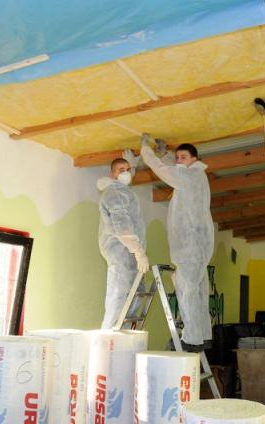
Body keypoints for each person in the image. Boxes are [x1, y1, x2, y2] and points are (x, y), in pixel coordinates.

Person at [136, 134, 214, 352]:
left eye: (183, 157)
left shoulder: (188, 176)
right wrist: (165, 153)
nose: (179, 160)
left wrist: (146, 150)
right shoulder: (197, 175)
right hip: (199, 246)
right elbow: (175, 167)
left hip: (189, 245)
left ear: (194, 159)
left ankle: (191, 339)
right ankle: (203, 335)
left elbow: (164, 170)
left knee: (187, 292)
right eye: (178, 157)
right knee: (198, 292)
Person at [97, 157, 149, 329]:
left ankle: (122, 333)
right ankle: (110, 336)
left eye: (128, 170)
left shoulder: (124, 191)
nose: (126, 173)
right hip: (120, 250)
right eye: (121, 170)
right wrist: (138, 250)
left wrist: (133, 165)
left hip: (129, 252)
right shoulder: (114, 193)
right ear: (112, 173)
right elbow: (122, 226)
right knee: (119, 294)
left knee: (135, 292)